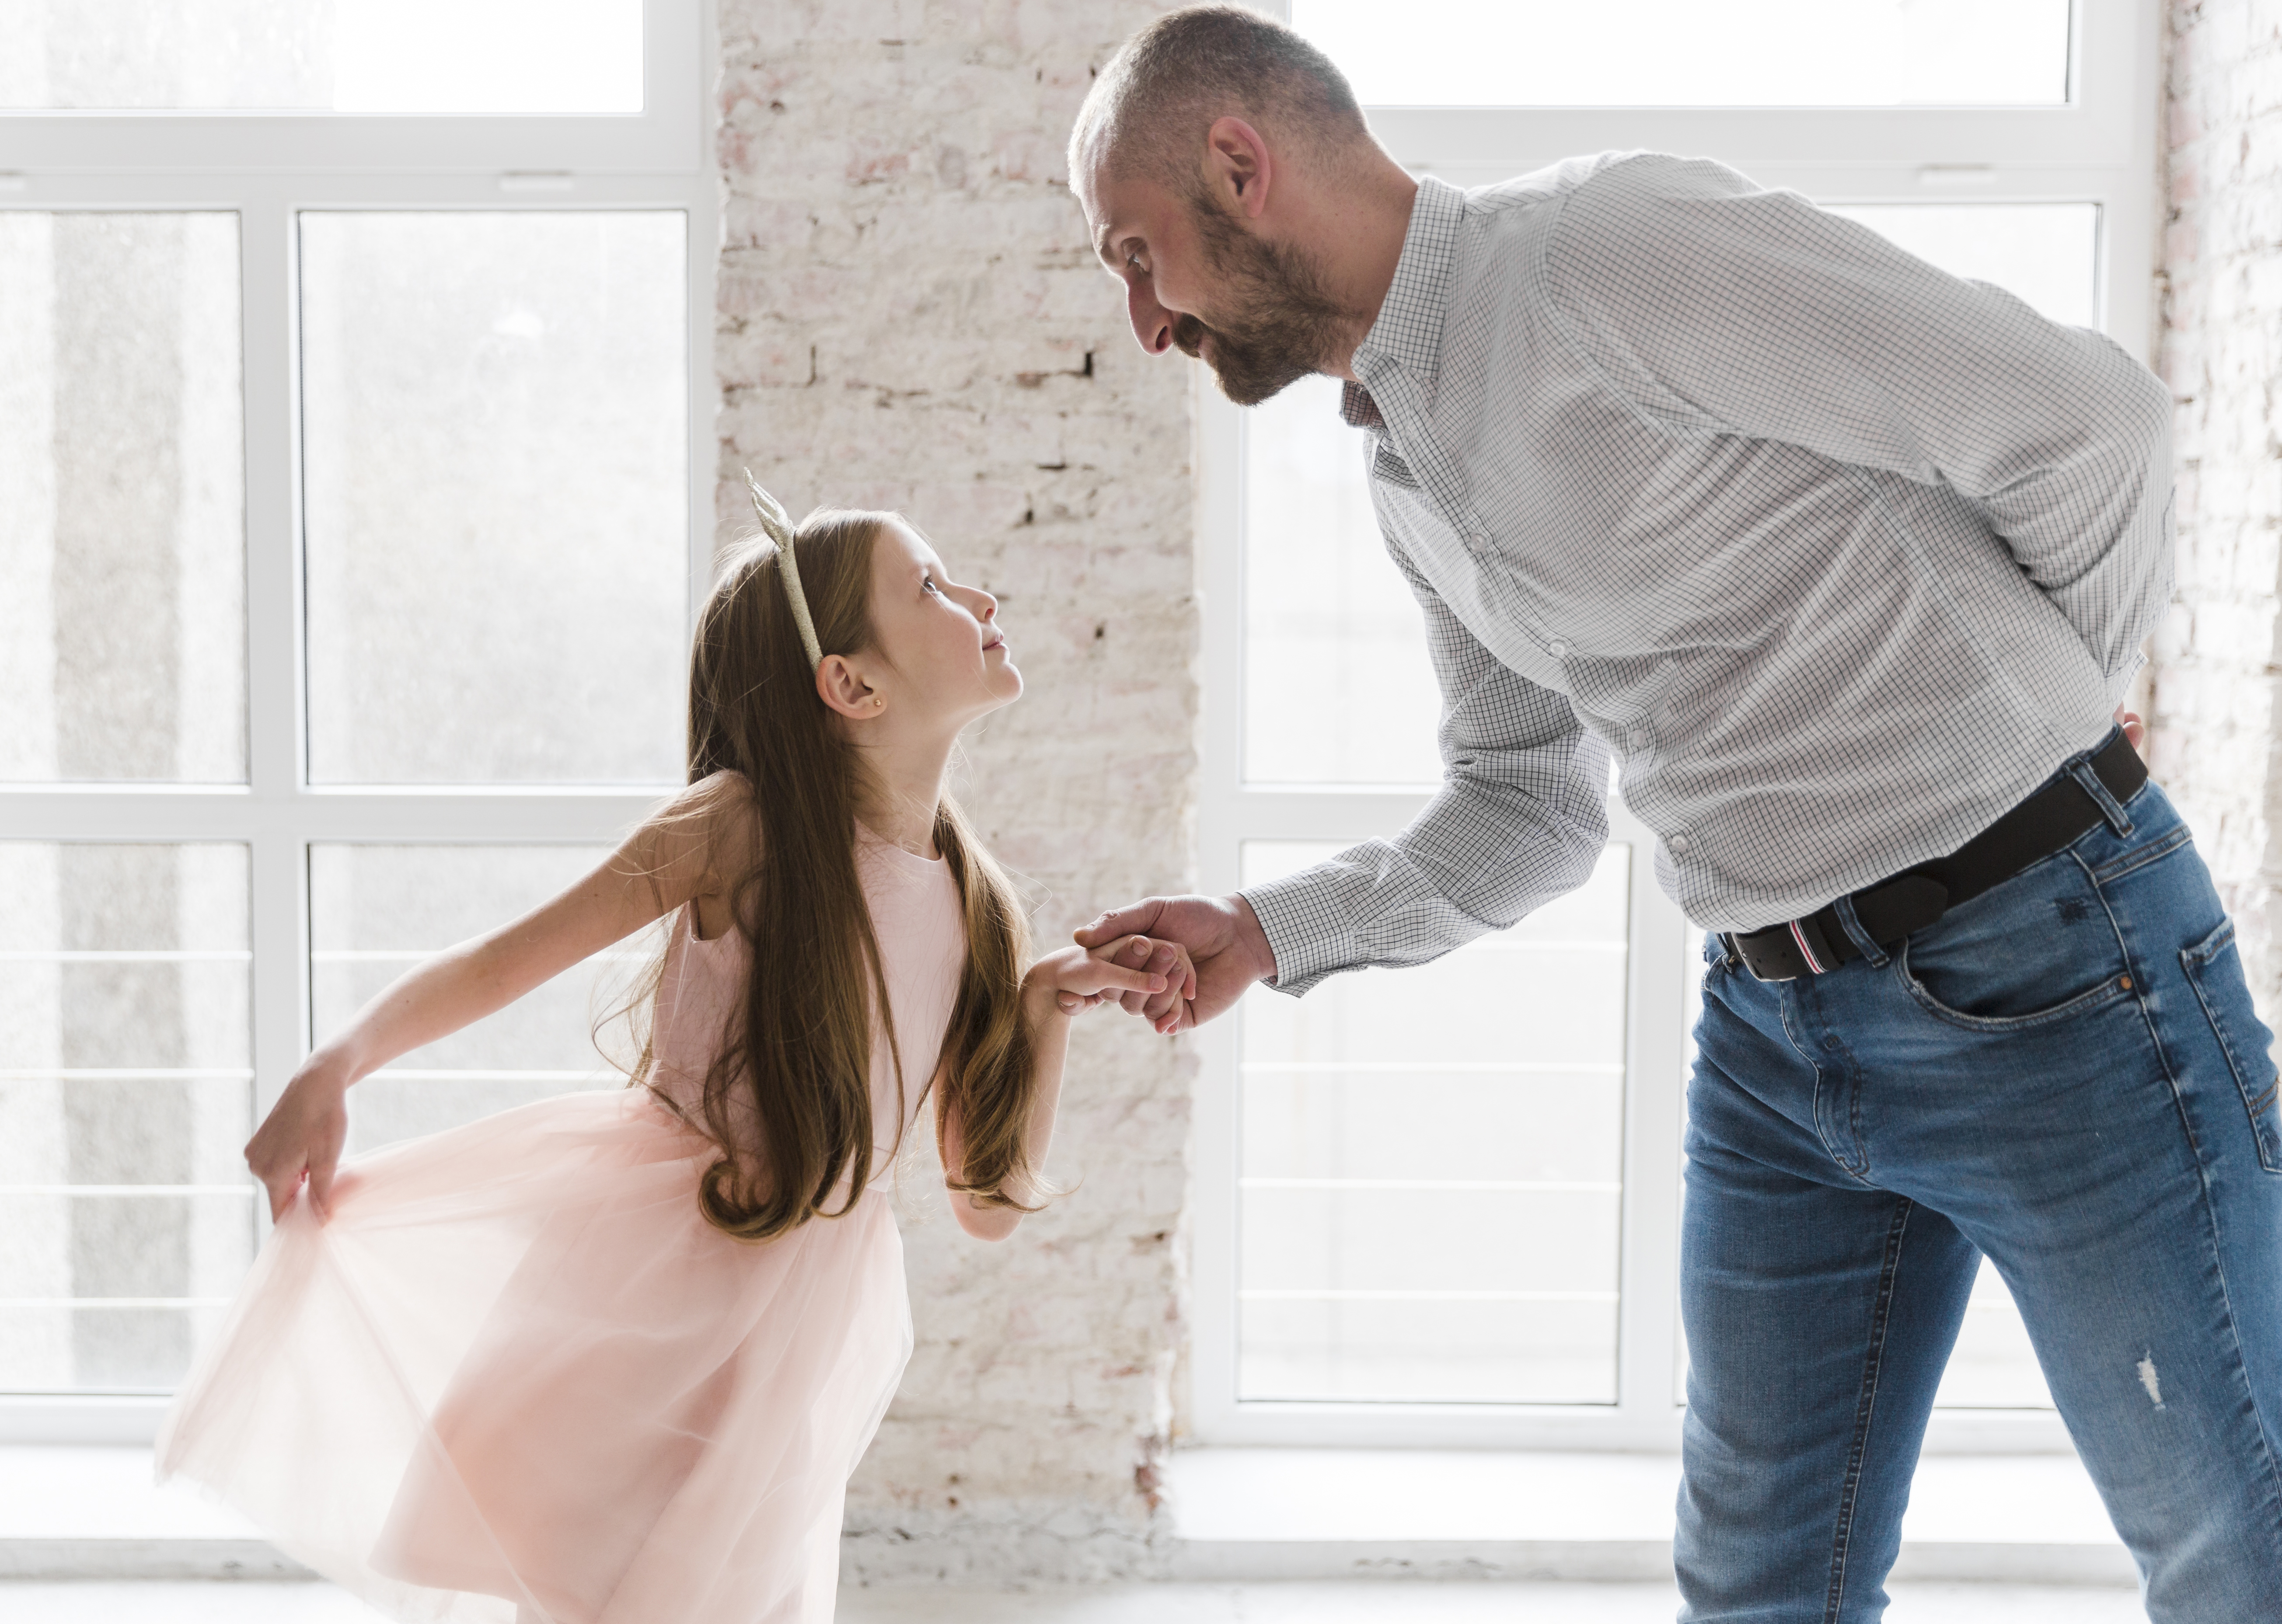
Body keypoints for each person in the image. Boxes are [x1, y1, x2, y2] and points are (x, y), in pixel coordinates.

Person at [1064, 8, 2282, 1621]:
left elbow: (2091, 426)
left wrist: (2056, 726)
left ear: (1241, 165)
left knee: (2232, 1544)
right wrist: (1268, 934)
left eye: (1139, 258)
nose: (1146, 320)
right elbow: (1524, 808)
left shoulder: (1600, 252)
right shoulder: (1405, 481)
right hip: (1775, 1038)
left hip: (2054, 973)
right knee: (1759, 1588)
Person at [153, 478, 1195, 1624]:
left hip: (796, 1340)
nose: (979, 594)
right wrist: (333, 1064)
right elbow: (505, 958)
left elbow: (984, 1204)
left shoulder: (970, 896)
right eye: (932, 586)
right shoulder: (737, 828)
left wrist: (1042, 1009)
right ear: (848, 683)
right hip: (660, 1301)